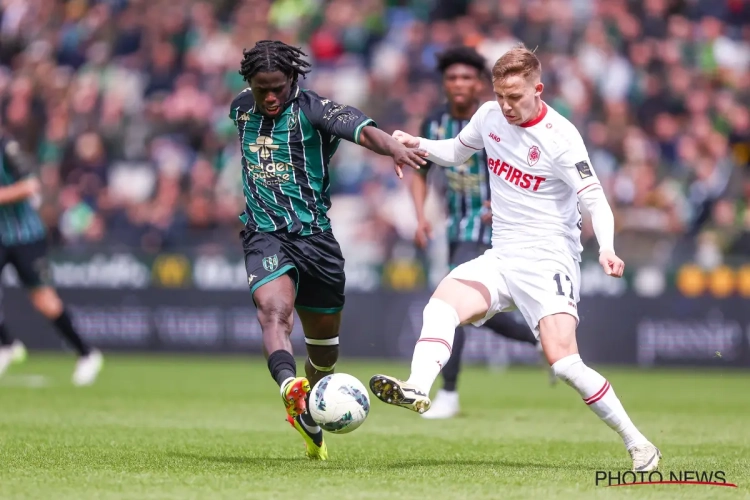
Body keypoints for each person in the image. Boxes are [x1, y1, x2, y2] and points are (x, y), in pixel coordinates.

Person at [370, 44, 661, 472]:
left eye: (515, 97)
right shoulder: (488, 117)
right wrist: (419, 143)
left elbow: (596, 201)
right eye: (500, 95)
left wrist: (608, 248)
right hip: (503, 255)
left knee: (564, 363)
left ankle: (639, 443)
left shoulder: (561, 138)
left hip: (549, 261)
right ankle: (417, 386)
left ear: (538, 89)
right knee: (442, 303)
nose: (506, 106)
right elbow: (456, 151)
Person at [230, 40, 426, 460]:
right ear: (249, 82)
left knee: (324, 357)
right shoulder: (240, 108)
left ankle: (309, 409)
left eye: (277, 88)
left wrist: (390, 144)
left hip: (317, 243)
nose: (269, 97)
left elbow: (357, 126)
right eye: (261, 87)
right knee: (273, 311)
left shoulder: (315, 109)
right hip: (265, 235)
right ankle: (288, 386)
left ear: (293, 80)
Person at [411, 46, 543, 419]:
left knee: (451, 303)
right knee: (478, 310)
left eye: (467, 77)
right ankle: (540, 339)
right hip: (455, 224)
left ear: (478, 84)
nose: (459, 84)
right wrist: (420, 214)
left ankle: (448, 394)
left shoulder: (497, 118)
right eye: (452, 77)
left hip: (492, 226)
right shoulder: (434, 122)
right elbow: (421, 171)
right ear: (444, 83)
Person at [0, 135, 103, 385]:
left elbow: (31, 186)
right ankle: (6, 344)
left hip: (26, 237)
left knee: (44, 300)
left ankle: (86, 353)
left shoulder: (7, 148)